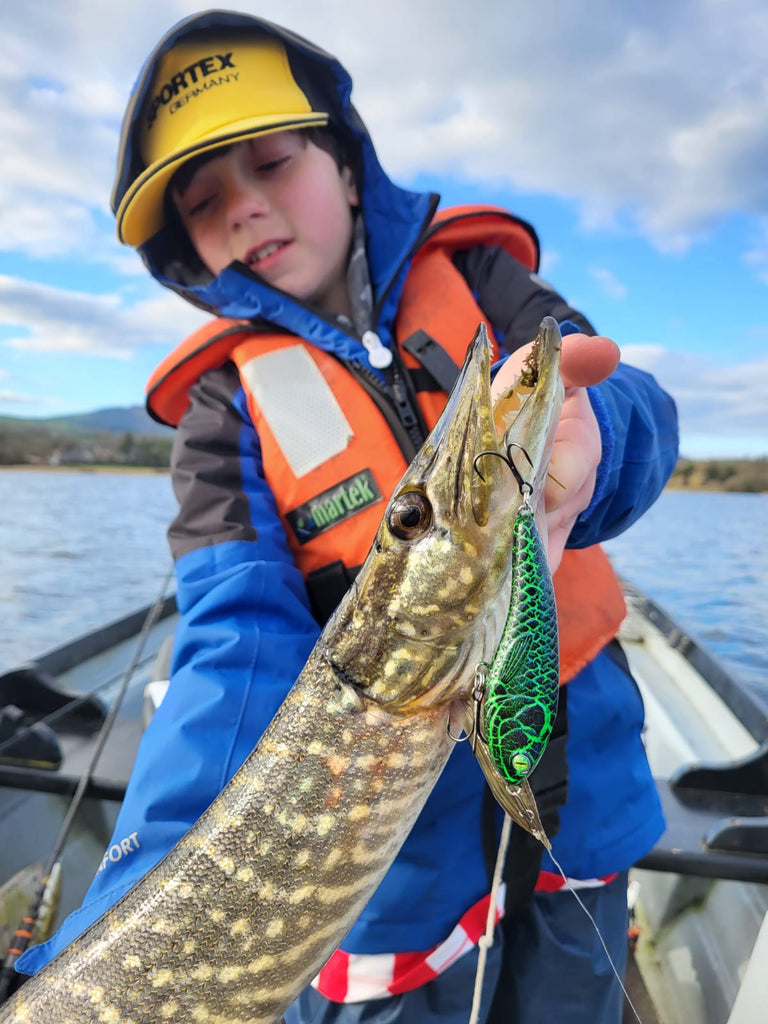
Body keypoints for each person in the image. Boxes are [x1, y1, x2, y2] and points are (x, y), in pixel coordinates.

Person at [18, 11, 679, 1024]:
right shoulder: (225, 411)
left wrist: (599, 440)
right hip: (393, 896)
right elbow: (232, 655)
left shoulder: (485, 283)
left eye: (272, 163)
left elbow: (625, 402)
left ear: (350, 165)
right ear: (191, 246)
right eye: (204, 201)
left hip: (583, 813)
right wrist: (119, 923)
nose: (245, 206)